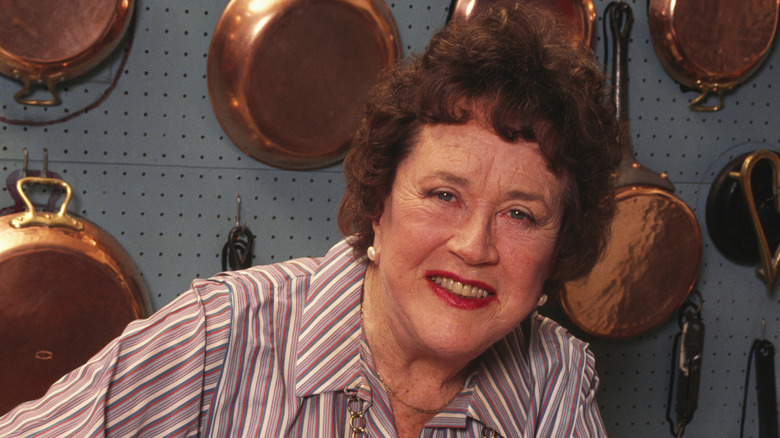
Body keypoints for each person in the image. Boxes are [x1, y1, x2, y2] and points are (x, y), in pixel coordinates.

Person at [0, 3, 622, 437]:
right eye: (443, 196)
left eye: (520, 213)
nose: (473, 245)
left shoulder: (555, 380)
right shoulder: (221, 338)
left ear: (559, 244)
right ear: (379, 202)